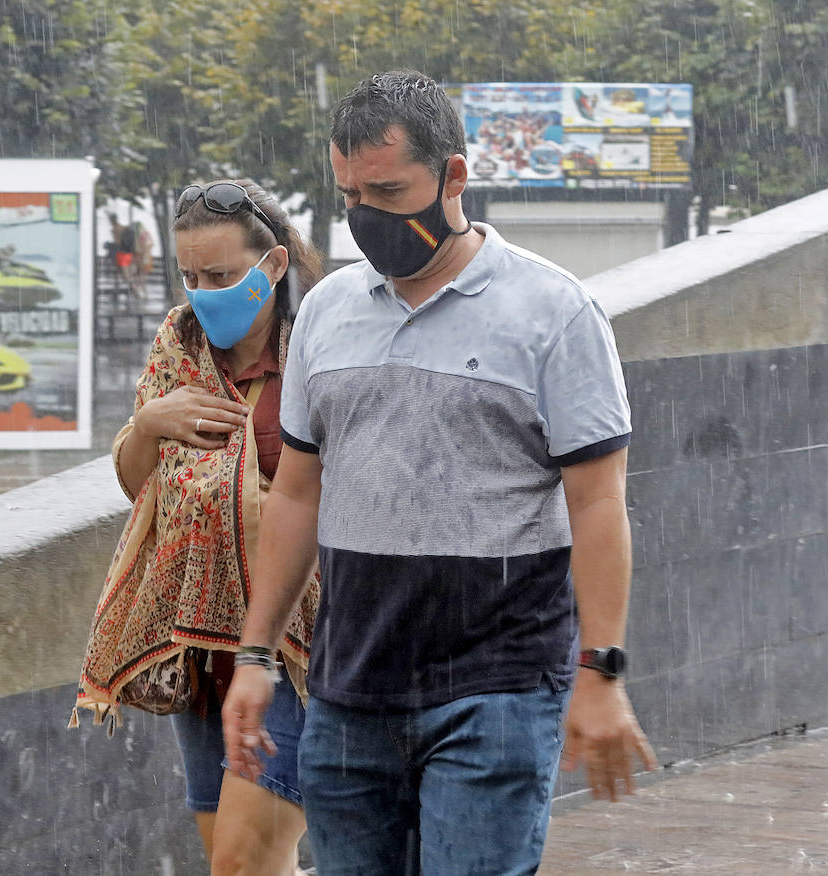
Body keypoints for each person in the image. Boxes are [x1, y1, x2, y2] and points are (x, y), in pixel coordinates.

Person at [221, 69, 658, 873]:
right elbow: (297, 493)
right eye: (350, 194)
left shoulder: (553, 312)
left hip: (496, 689)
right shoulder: (325, 312)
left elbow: (598, 503)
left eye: (387, 191)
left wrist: (602, 670)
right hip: (349, 691)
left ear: (454, 176)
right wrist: (255, 655)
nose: (365, 217)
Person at [74, 180, 322, 876]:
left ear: (272, 265)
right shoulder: (178, 345)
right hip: (199, 648)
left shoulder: (315, 348)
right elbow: (139, 486)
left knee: (242, 864)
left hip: (292, 652)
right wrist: (149, 425)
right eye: (189, 275)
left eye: (219, 275)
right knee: (240, 864)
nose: (202, 291)